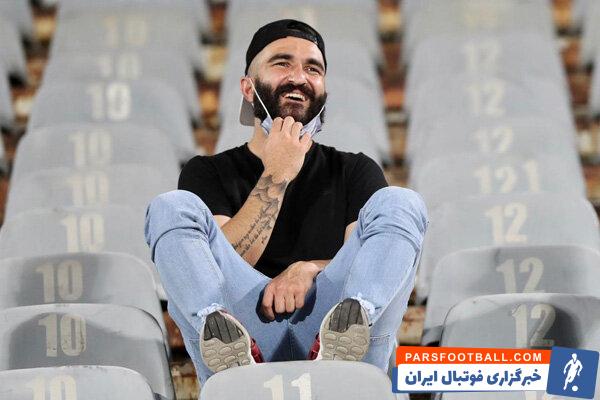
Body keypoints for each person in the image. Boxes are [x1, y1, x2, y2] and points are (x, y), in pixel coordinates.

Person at [145, 19, 428, 384]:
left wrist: (308, 269)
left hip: (335, 323)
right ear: (248, 88)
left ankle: (350, 325)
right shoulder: (208, 172)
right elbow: (216, 268)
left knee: (401, 202)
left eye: (313, 69)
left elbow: (369, 261)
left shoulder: (354, 169)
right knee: (169, 208)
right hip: (242, 324)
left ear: (323, 90)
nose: (299, 77)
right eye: (282, 63)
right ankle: (220, 335)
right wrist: (277, 174)